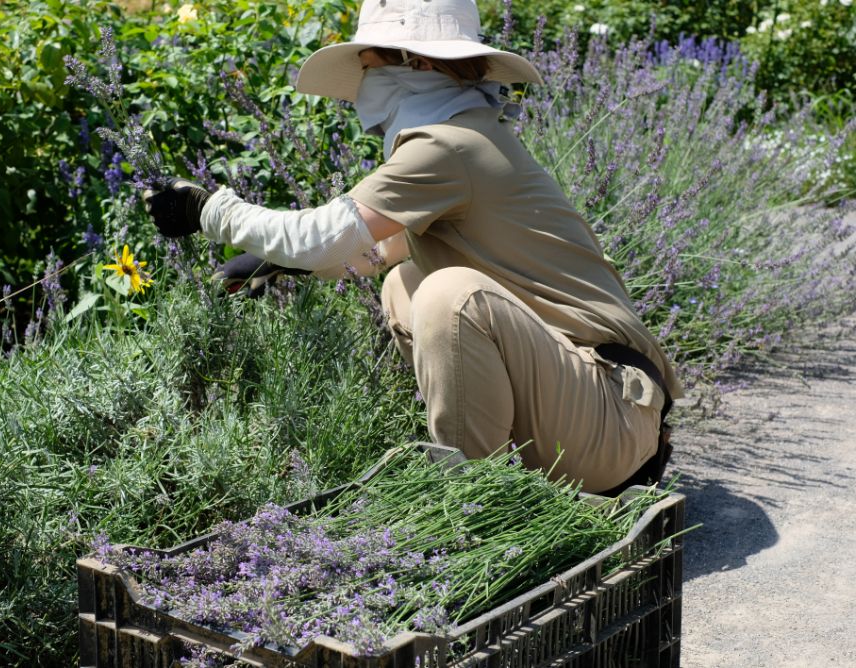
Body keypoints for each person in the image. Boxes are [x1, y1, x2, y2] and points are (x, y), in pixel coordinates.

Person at [143, 0, 684, 494]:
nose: (364, 81)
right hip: (601, 410)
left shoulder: (445, 147)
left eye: (371, 63)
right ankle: (499, 469)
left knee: (450, 297)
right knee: (406, 285)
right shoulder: (471, 132)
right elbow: (366, 254)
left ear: (417, 61)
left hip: (611, 421)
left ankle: (477, 502)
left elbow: (321, 237)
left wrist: (208, 210)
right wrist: (279, 259)